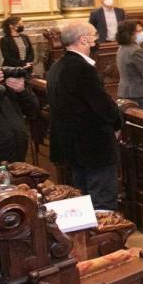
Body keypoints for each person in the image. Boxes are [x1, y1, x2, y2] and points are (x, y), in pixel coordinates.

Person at [47, 22, 122, 210]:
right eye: (94, 35)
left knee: (82, 196)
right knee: (102, 201)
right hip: (93, 146)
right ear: (83, 39)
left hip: (73, 146)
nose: (96, 40)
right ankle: (103, 229)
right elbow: (102, 104)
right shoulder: (82, 68)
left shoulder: (58, 66)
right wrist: (117, 123)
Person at [116, 20, 143, 109]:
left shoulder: (122, 47)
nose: (142, 33)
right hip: (139, 94)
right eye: (139, 31)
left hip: (126, 92)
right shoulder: (136, 51)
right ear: (130, 34)